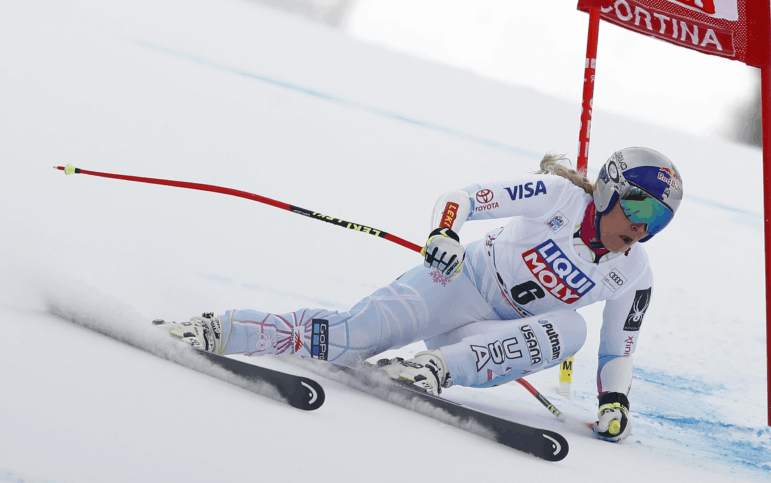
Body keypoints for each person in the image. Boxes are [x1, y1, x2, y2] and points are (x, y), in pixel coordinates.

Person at [156, 147, 683, 443]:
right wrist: (444, 233)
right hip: (454, 286)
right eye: (638, 210)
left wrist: (615, 400)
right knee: (346, 339)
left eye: (658, 220)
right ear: (611, 190)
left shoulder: (634, 273)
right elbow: (462, 198)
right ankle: (220, 329)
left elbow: (619, 349)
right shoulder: (560, 197)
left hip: (484, 337)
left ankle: (431, 369)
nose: (642, 229)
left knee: (574, 328)